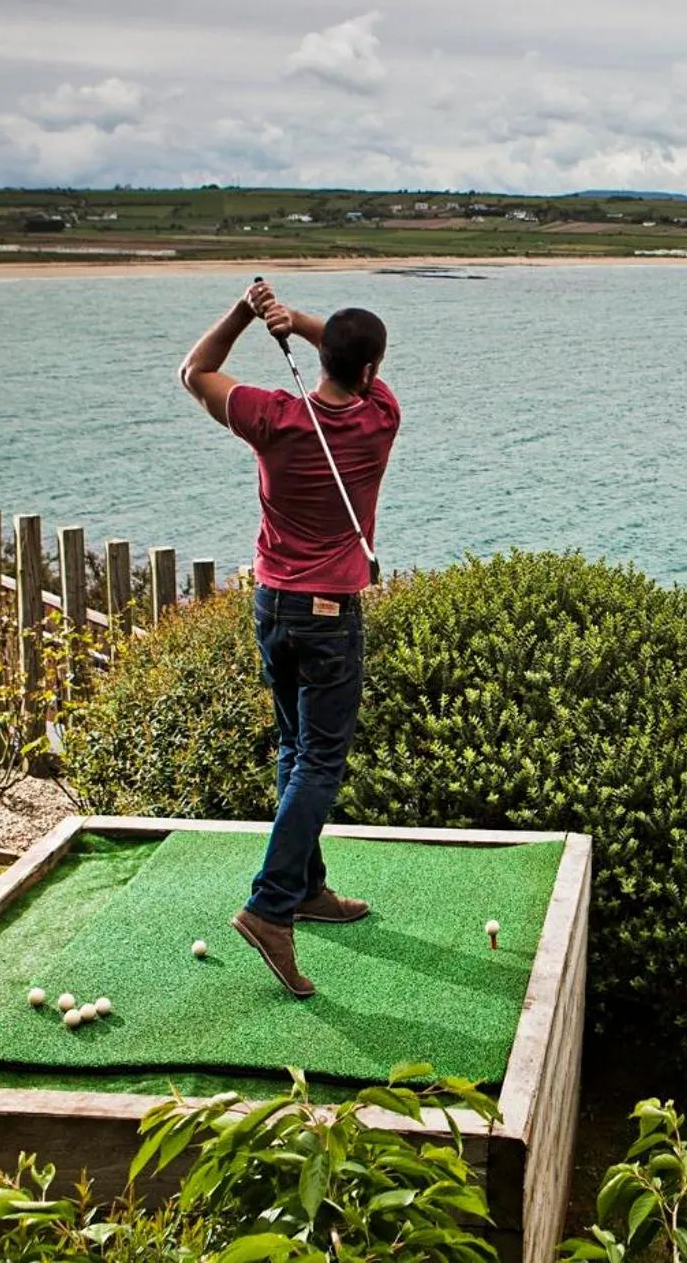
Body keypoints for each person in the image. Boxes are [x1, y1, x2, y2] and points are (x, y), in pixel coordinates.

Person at [177, 278, 400, 997]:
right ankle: (272, 905)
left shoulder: (272, 416)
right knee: (320, 763)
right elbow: (348, 359)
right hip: (331, 612)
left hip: (273, 605)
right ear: (368, 370)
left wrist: (248, 313)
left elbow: (195, 371)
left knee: (294, 750)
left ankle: (305, 889)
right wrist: (300, 322)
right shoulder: (380, 417)